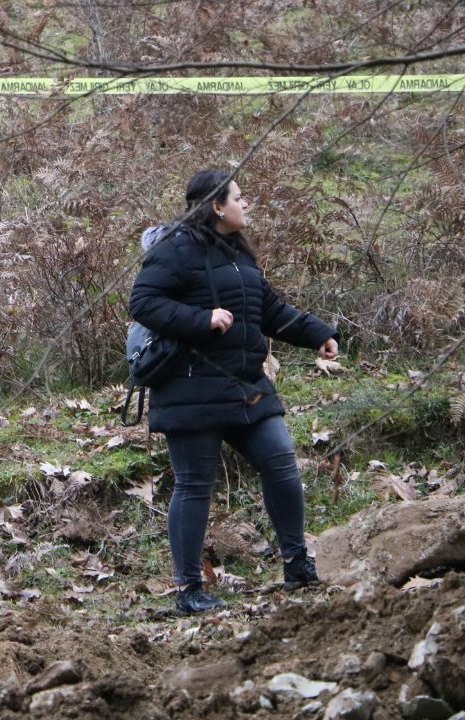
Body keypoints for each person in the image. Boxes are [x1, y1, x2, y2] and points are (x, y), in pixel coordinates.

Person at [129, 170, 339, 614]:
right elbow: (143, 303)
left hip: (245, 386)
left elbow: (270, 310)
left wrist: (319, 332)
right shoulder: (176, 249)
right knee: (194, 486)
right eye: (239, 198)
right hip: (191, 387)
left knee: (281, 462)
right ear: (216, 206)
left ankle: (297, 563)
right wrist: (200, 320)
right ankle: (189, 590)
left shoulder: (239, 256)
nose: (247, 204)